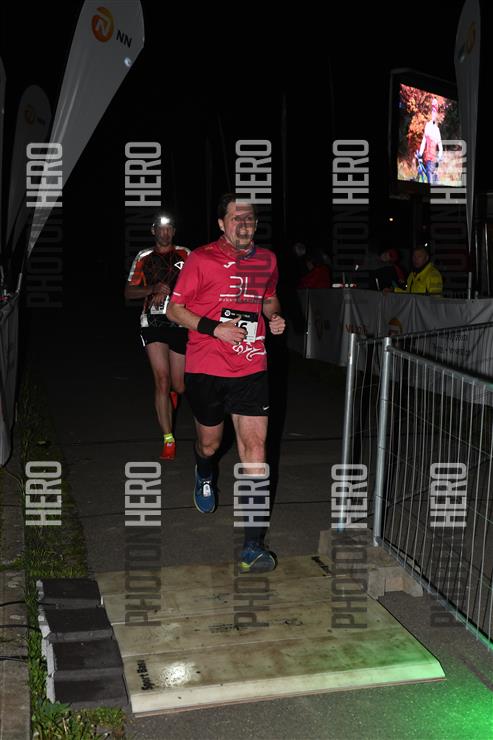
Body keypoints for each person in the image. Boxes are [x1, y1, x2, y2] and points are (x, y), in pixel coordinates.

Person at [166, 194, 285, 574]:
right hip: (206, 365)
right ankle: (204, 470)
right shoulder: (201, 260)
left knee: (255, 449)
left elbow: (269, 300)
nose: (244, 224)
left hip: (251, 365)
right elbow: (174, 309)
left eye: (250, 218)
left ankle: (252, 546)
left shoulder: (268, 260)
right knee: (210, 443)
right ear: (222, 223)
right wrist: (214, 328)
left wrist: (276, 317)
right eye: (236, 218)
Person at [125, 213, 190, 460]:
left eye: (169, 228)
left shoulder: (186, 254)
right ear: (153, 231)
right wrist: (152, 288)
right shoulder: (144, 256)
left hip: (180, 321)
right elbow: (128, 292)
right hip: (152, 322)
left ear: (174, 231)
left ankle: (172, 396)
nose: (165, 233)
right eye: (160, 229)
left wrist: (174, 292)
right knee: (162, 380)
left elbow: (200, 284)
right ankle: (168, 439)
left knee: (179, 385)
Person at [418, 98, 443, 185]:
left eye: (435, 111)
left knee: (434, 185)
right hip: (428, 160)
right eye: (432, 110)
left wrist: (439, 157)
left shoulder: (437, 130)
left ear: (436, 114)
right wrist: (420, 155)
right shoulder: (428, 126)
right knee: (430, 184)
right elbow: (423, 142)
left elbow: (440, 148)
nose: (433, 113)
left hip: (434, 162)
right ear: (431, 112)